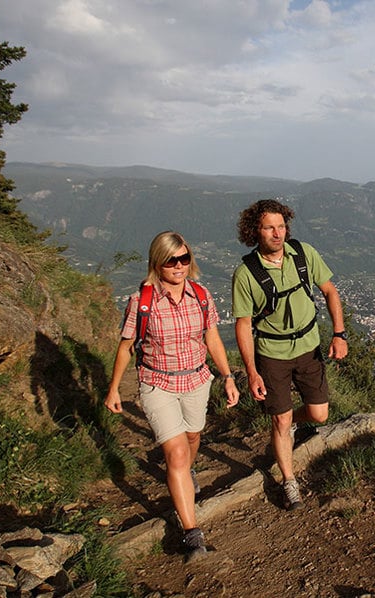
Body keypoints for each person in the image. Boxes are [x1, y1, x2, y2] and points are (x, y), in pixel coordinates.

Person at [105, 231, 239, 561]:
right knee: (177, 453)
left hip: (196, 380)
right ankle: (192, 534)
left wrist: (228, 376)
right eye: (171, 260)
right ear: (157, 262)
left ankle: (185, 473)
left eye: (184, 258)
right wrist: (113, 389)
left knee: (193, 437)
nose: (178, 266)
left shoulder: (201, 295)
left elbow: (212, 339)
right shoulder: (142, 301)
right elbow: (126, 348)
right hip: (157, 384)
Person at [232, 199, 348, 510]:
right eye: (269, 227)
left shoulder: (303, 254)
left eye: (281, 226)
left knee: (319, 414)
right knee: (281, 419)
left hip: (308, 346)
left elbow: (330, 291)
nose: (277, 233)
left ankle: (287, 422)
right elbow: (243, 325)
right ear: (255, 231)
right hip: (272, 353)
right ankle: (289, 480)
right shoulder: (246, 273)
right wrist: (252, 371)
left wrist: (339, 334)